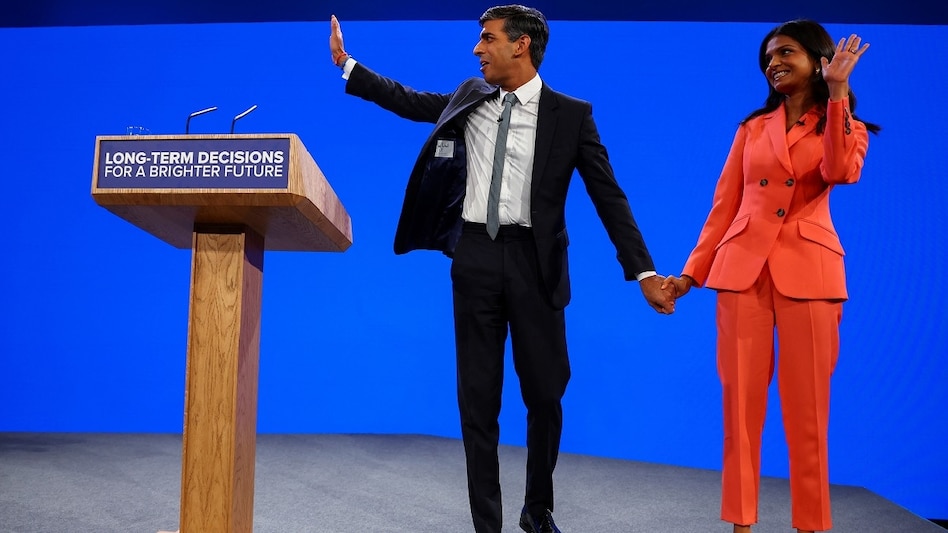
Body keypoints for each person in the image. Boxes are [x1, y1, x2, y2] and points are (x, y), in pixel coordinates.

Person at [329, 5, 674, 532]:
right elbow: (412, 102)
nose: (476, 49)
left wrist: (644, 272)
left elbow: (609, 196)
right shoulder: (472, 96)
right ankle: (486, 524)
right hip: (475, 258)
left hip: (536, 265)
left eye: (487, 39)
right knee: (478, 398)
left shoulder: (571, 115)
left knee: (545, 393)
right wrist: (350, 67)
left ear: (522, 45)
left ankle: (537, 510)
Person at [661, 19, 879, 533]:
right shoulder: (751, 129)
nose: (773, 62)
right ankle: (741, 523)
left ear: (818, 61)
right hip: (741, 277)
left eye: (786, 52)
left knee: (808, 416)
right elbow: (724, 209)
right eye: (768, 57)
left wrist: (838, 93)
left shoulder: (846, 125)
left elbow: (838, 172)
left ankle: (812, 524)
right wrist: (690, 276)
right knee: (740, 411)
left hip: (810, 276)